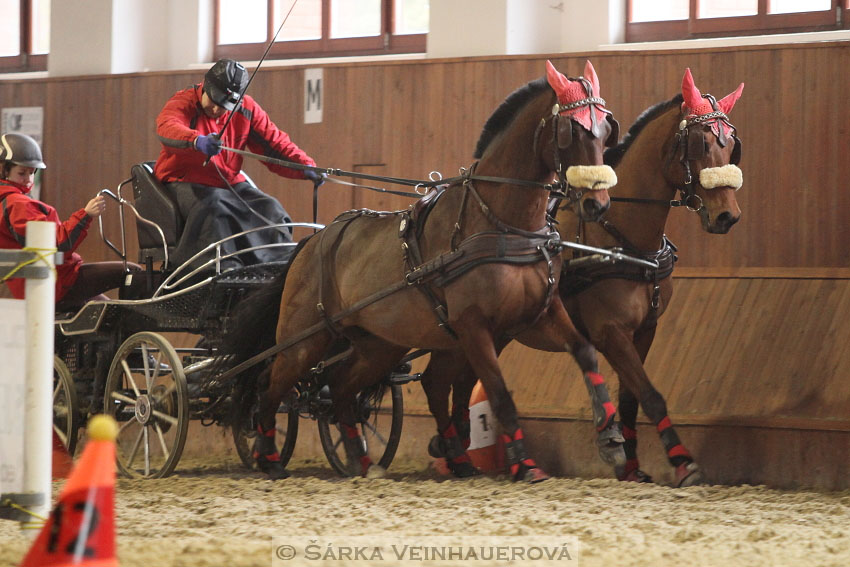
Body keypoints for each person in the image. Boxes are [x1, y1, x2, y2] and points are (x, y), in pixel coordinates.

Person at [153, 58, 325, 270]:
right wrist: (197, 141)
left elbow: (274, 144)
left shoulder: (246, 109)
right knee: (214, 208)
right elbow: (168, 127)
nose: (216, 110)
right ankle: (223, 269)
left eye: (224, 106)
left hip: (227, 182)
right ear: (205, 86)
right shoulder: (183, 101)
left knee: (271, 209)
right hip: (182, 181)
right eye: (214, 101)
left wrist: (305, 166)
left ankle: (275, 267)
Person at [0, 133, 141, 309]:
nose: (28, 179)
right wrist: (86, 215)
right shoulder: (17, 204)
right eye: (22, 173)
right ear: (4, 170)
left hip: (40, 285)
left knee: (107, 312)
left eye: (32, 172)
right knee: (132, 271)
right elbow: (57, 244)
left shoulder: (7, 203)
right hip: (58, 282)